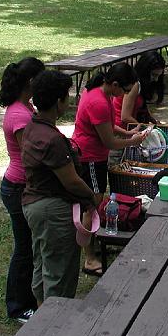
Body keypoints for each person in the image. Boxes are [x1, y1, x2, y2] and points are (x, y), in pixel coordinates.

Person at [21, 70, 99, 304]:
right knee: (59, 271)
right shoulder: (52, 139)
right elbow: (71, 181)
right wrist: (91, 198)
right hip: (52, 210)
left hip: (34, 205)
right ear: (58, 102)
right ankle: (54, 318)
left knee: (43, 262)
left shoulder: (33, 126)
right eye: (67, 96)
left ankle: (41, 310)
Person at [71, 63, 147, 275]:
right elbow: (109, 142)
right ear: (114, 84)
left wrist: (127, 133)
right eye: (125, 90)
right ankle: (90, 259)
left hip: (93, 156)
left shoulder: (98, 92)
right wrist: (132, 141)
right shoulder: (98, 102)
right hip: (90, 158)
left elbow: (106, 125)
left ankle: (94, 246)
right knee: (91, 206)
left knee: (93, 204)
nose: (125, 95)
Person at [0, 56, 45, 323]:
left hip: (21, 186)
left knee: (29, 246)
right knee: (24, 249)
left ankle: (28, 299)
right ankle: (18, 306)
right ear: (30, 82)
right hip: (17, 187)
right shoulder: (19, 114)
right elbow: (30, 155)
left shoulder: (25, 106)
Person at [113, 50, 166, 128]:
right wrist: (144, 127)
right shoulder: (135, 84)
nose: (156, 79)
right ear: (145, 71)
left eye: (158, 76)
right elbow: (125, 117)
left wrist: (154, 121)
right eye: (154, 75)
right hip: (121, 128)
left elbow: (143, 106)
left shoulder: (142, 85)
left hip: (129, 127)